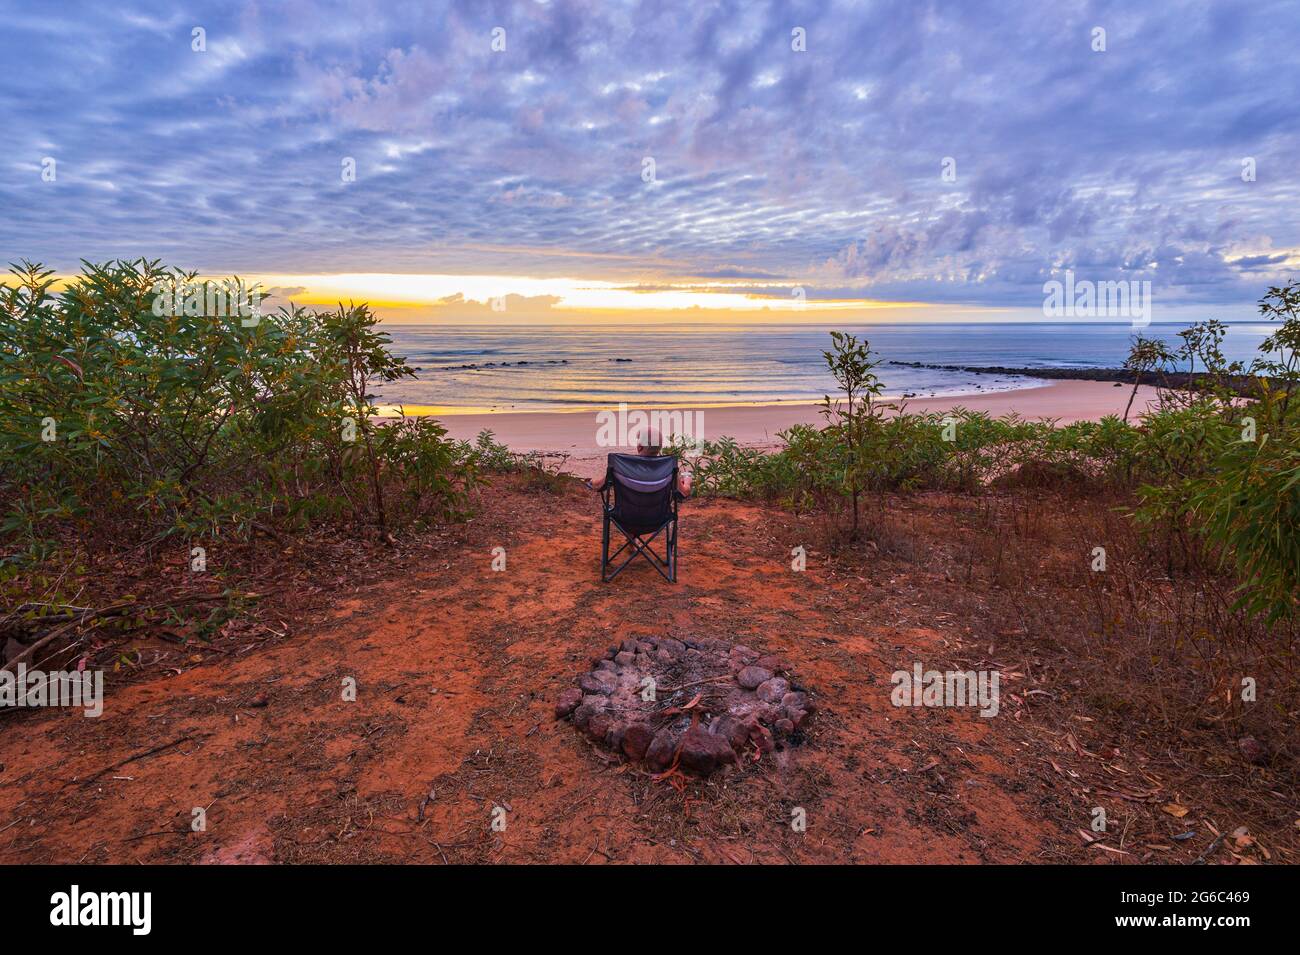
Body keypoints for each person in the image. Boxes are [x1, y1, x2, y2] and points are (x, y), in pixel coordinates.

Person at [588, 433, 693, 496]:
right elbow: (684, 493)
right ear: (659, 448)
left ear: (639, 447)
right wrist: (687, 481)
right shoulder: (667, 466)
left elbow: (598, 485)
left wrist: (591, 482)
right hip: (658, 520)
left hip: (624, 518)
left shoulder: (622, 465)